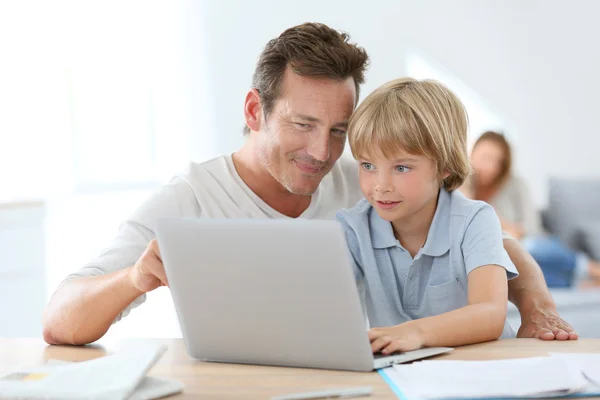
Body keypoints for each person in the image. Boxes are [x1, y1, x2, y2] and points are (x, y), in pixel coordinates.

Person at [42, 22, 576, 346]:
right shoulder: (189, 197)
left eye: (339, 131)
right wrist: (133, 279)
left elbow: (489, 241)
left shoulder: (367, 180)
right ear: (256, 110)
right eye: (302, 125)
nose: (322, 153)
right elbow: (59, 320)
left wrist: (535, 306)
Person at [336, 78, 518, 353]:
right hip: (403, 377)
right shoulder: (353, 227)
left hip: (487, 368)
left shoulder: (475, 220)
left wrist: (415, 332)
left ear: (444, 166)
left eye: (401, 168)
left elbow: (491, 314)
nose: (380, 185)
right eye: (368, 165)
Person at [464, 131, 600, 288]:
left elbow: (531, 228)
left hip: (526, 242)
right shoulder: (462, 186)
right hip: (495, 249)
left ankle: (591, 271)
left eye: (497, 161)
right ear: (472, 154)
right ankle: (580, 282)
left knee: (530, 249)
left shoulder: (516, 184)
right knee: (513, 271)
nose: (491, 167)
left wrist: (505, 227)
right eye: (485, 158)